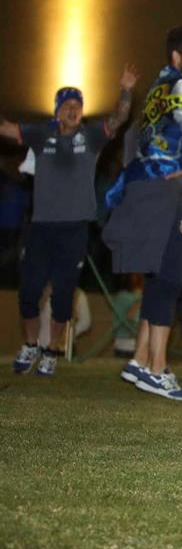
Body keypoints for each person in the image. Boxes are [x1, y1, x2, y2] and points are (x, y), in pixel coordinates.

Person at [105, 27, 182, 401]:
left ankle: (140, 360)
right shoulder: (179, 86)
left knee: (165, 277)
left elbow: (153, 142)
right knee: (170, 279)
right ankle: (156, 368)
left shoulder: (158, 89)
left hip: (160, 191)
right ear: (176, 56)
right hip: (163, 194)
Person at [3, 69, 137, 376]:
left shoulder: (90, 136)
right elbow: (7, 128)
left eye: (78, 105)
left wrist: (126, 91)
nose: (74, 110)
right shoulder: (41, 134)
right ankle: (31, 345)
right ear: (57, 111)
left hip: (75, 228)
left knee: (64, 294)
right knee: (29, 290)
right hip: (41, 227)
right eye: (67, 105)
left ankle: (51, 350)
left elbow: (119, 118)